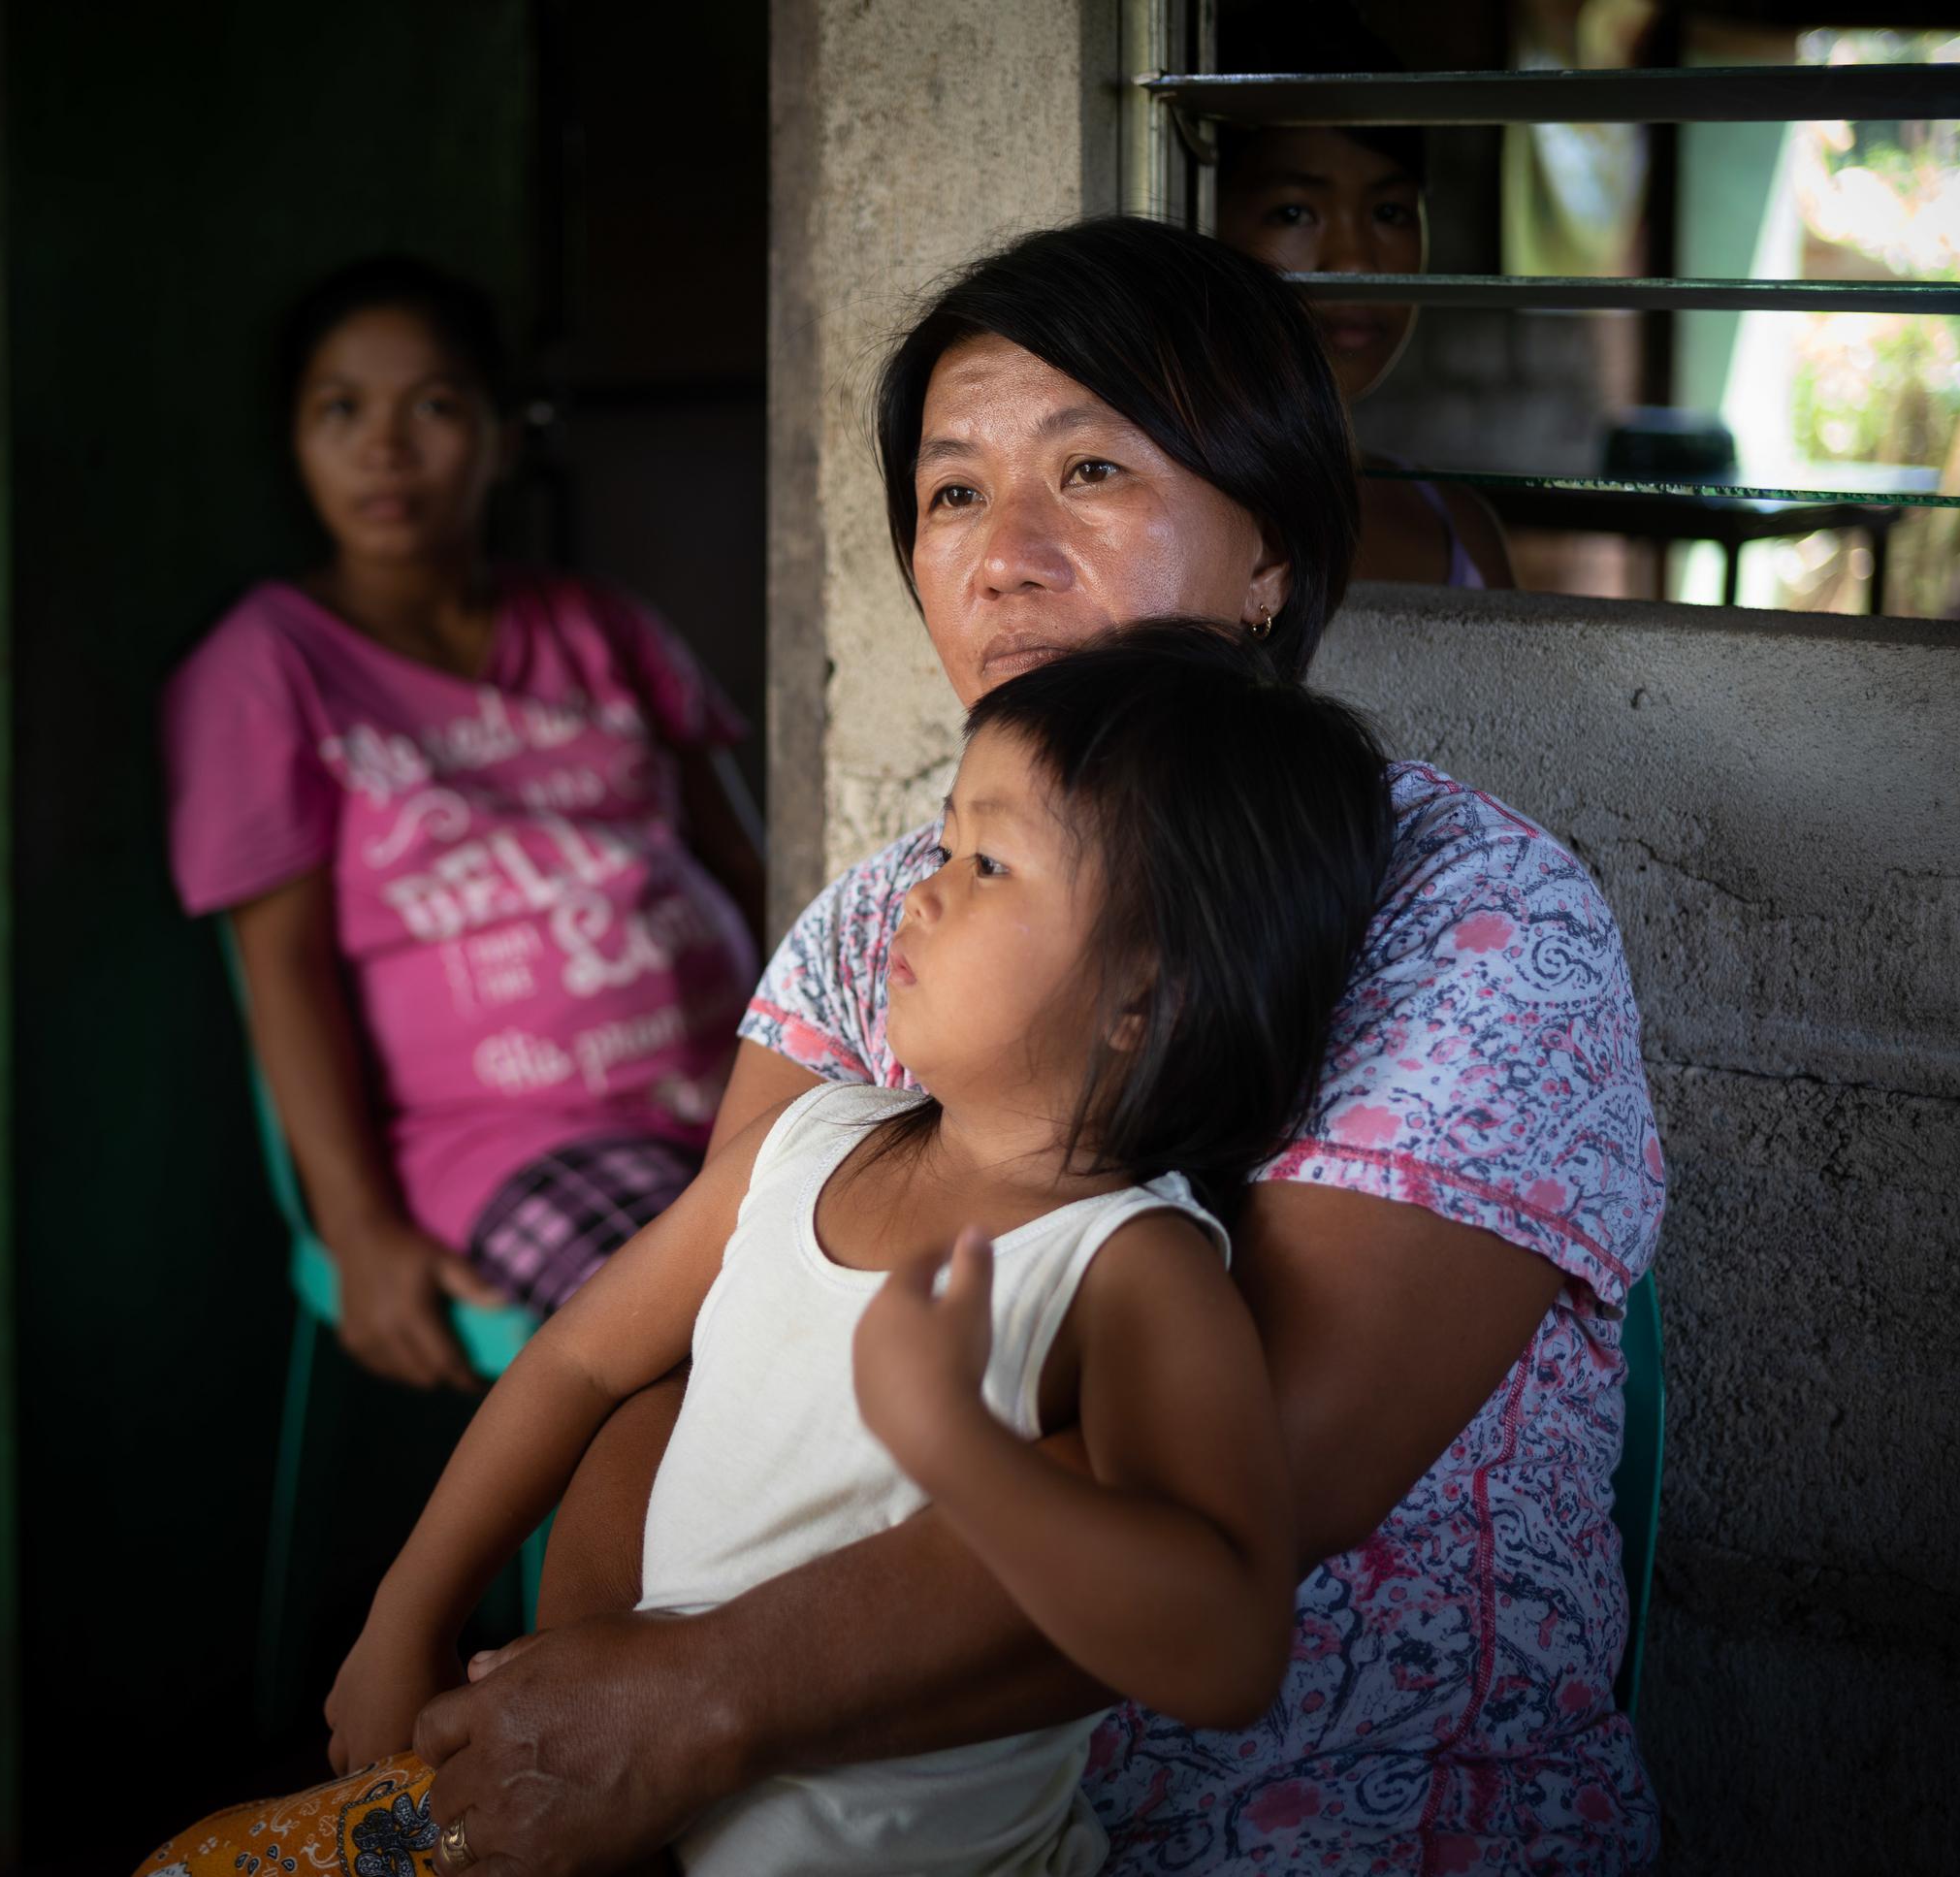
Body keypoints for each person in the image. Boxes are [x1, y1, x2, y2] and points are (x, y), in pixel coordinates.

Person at [135, 622, 1400, 1876]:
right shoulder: (803, 1145)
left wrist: (956, 1443)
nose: (923, 883)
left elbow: (1227, 1647)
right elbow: (579, 1357)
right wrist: (409, 1605)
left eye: (993, 863)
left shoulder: (1130, 1270)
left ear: (1147, 993)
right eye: (944, 836)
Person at [162, 256, 765, 1390]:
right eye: (340, 410)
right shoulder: (267, 668)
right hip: (513, 1144)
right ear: (294, 439)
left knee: (961, 1294)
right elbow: (281, 971)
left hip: (745, 1102)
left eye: (433, 407)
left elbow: (744, 869)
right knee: (718, 1360)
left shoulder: (600, 627)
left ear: (502, 432)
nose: (384, 448)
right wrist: (355, 1229)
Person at [1209, 0, 1516, 590]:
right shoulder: (1146, 523)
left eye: (1390, 211)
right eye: (1293, 211)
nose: (1353, 261)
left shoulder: (1456, 526)